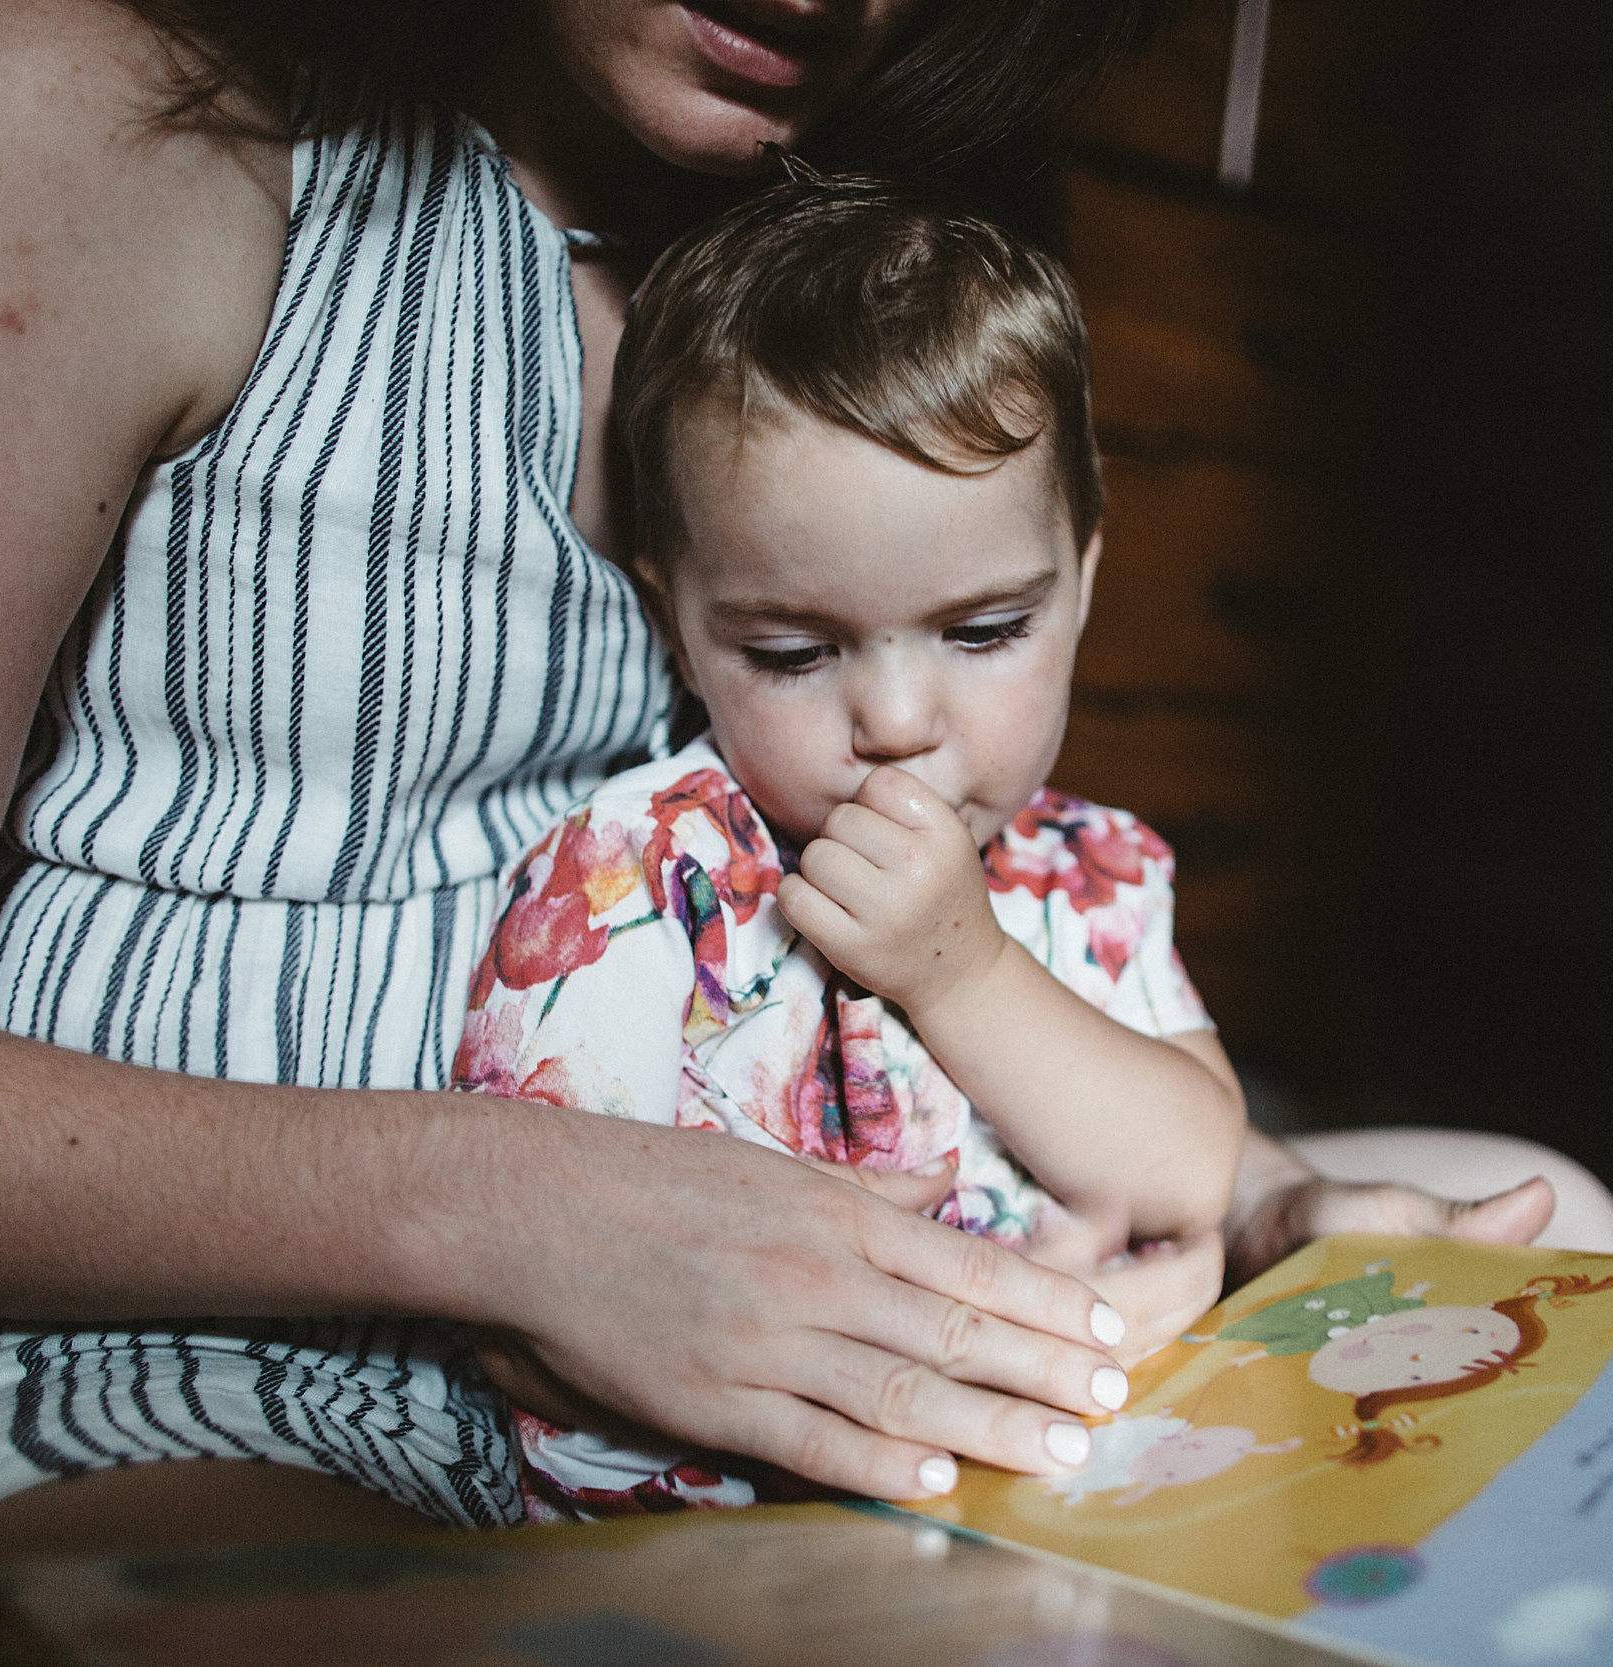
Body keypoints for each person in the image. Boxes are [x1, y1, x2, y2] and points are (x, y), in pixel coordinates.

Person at [0, 0, 1613, 1658]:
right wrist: (506, 1213)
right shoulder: (86, 108)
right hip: (159, 1337)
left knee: (1560, 1247)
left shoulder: (851, 248)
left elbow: (961, 951)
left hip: (773, 1264)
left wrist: (1257, 1208)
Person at [450, 175, 1246, 1514]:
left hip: (1061, 1487)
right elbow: (536, 1304)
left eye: (984, 631)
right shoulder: (636, 879)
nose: (895, 721)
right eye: (793, 652)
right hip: (733, 1540)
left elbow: (1192, 1165)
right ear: (681, 625)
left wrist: (967, 972)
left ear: (1084, 584)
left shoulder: (1084, 872)